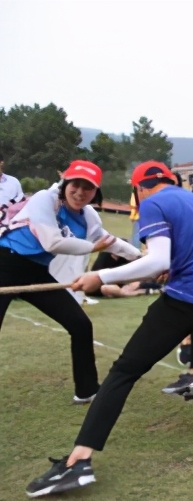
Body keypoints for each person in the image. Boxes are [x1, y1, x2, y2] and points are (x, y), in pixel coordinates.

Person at [25, 161, 193, 498]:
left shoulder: (153, 203)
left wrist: (101, 277)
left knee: (123, 373)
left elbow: (157, 259)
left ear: (138, 189)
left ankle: (78, 461)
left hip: (191, 301)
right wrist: (173, 269)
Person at [0, 160, 138, 404]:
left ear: (96, 192)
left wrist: (143, 259)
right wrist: (93, 247)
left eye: (88, 187)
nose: (80, 192)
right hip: (5, 263)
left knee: (80, 325)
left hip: (35, 271)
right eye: (76, 184)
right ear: (65, 184)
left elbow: (111, 242)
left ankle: (86, 390)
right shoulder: (45, 198)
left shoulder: (88, 215)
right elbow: (52, 242)